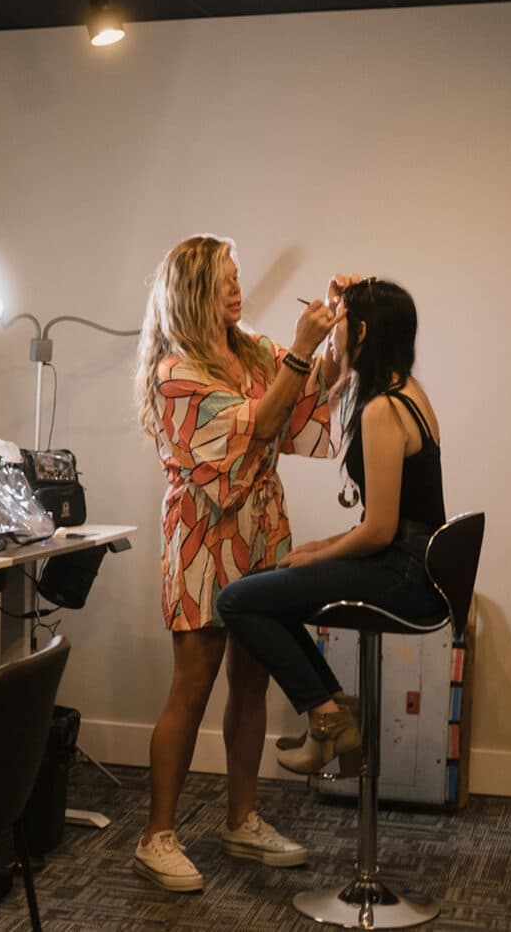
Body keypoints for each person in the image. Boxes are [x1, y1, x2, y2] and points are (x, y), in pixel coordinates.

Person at [132, 234, 343, 892]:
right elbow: (254, 422)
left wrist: (341, 332)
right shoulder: (175, 371)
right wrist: (304, 350)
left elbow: (310, 395)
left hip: (260, 528)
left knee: (253, 680)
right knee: (194, 684)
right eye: (224, 277)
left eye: (237, 275)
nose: (236, 287)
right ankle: (155, 836)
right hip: (202, 530)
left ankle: (241, 818)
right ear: (193, 290)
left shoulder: (251, 349)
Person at [217, 277, 446, 776]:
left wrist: (319, 555)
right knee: (259, 589)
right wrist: (326, 543)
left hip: (403, 574)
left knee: (235, 600)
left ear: (360, 332)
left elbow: (381, 529)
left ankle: (329, 717)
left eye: (339, 326)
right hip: (412, 562)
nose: (333, 336)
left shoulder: (384, 409)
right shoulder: (408, 392)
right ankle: (334, 709)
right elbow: (392, 520)